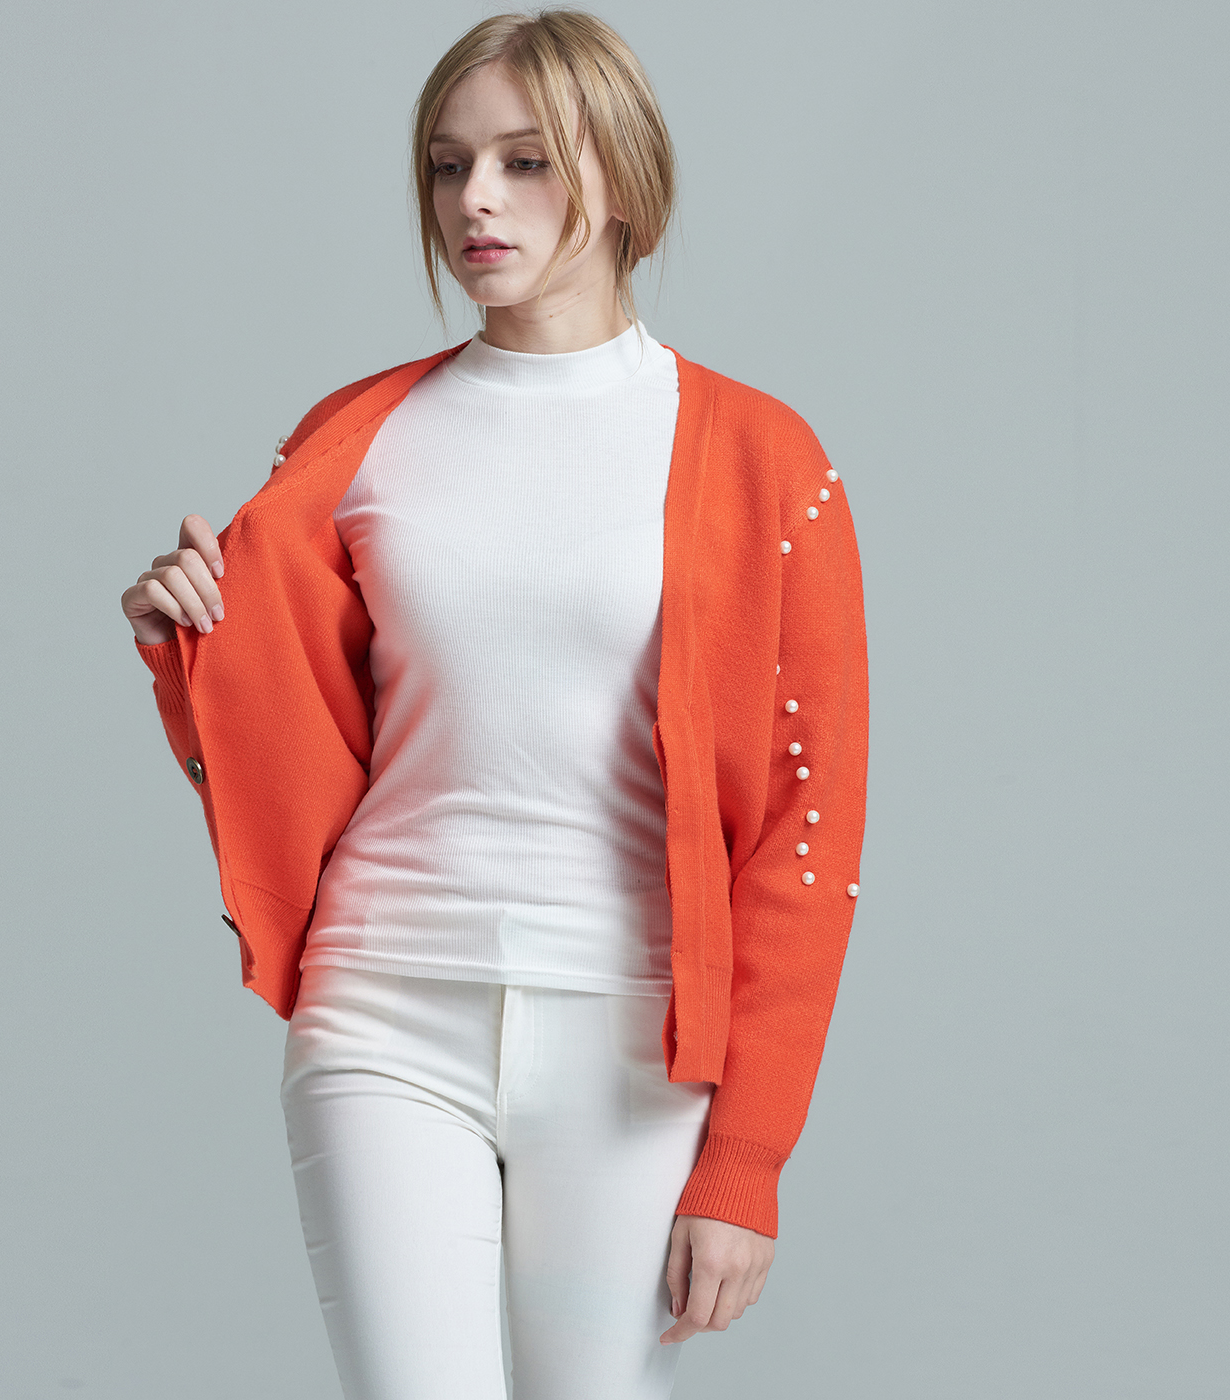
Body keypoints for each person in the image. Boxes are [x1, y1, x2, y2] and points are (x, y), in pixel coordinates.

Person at [120, 10, 869, 1399]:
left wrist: (749, 1157)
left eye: (527, 162)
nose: (476, 199)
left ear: (625, 177)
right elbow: (293, 758)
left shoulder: (765, 459)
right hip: (382, 1010)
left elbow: (803, 838)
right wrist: (191, 654)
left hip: (634, 1041)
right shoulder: (355, 439)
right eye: (449, 164)